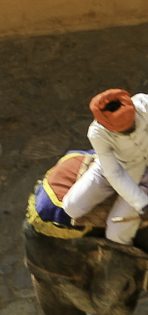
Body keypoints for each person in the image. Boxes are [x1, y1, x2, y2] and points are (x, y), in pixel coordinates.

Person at [61, 90, 148, 245]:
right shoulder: (96, 133)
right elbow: (114, 173)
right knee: (71, 207)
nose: (131, 129)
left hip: (145, 171)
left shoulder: (144, 103)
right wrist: (142, 204)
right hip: (113, 167)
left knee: (116, 235)